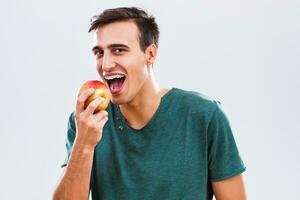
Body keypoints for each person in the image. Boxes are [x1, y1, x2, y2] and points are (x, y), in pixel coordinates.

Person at [53, 7, 247, 200]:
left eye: (118, 50)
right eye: (99, 53)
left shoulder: (205, 116)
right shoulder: (86, 121)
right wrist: (84, 145)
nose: (106, 65)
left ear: (150, 54)